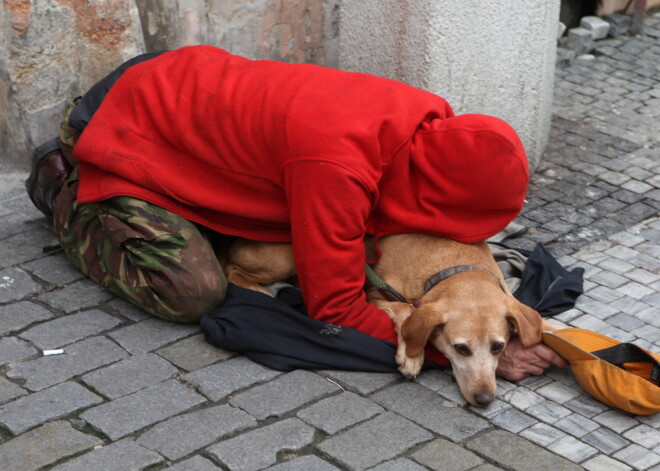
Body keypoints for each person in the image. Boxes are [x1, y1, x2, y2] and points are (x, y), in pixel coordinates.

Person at [26, 45, 566, 380]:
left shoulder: (432, 123)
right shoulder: (337, 166)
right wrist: (451, 351)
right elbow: (336, 311)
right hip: (120, 121)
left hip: (178, 86)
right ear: (436, 189)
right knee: (193, 290)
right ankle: (65, 192)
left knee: (279, 236)